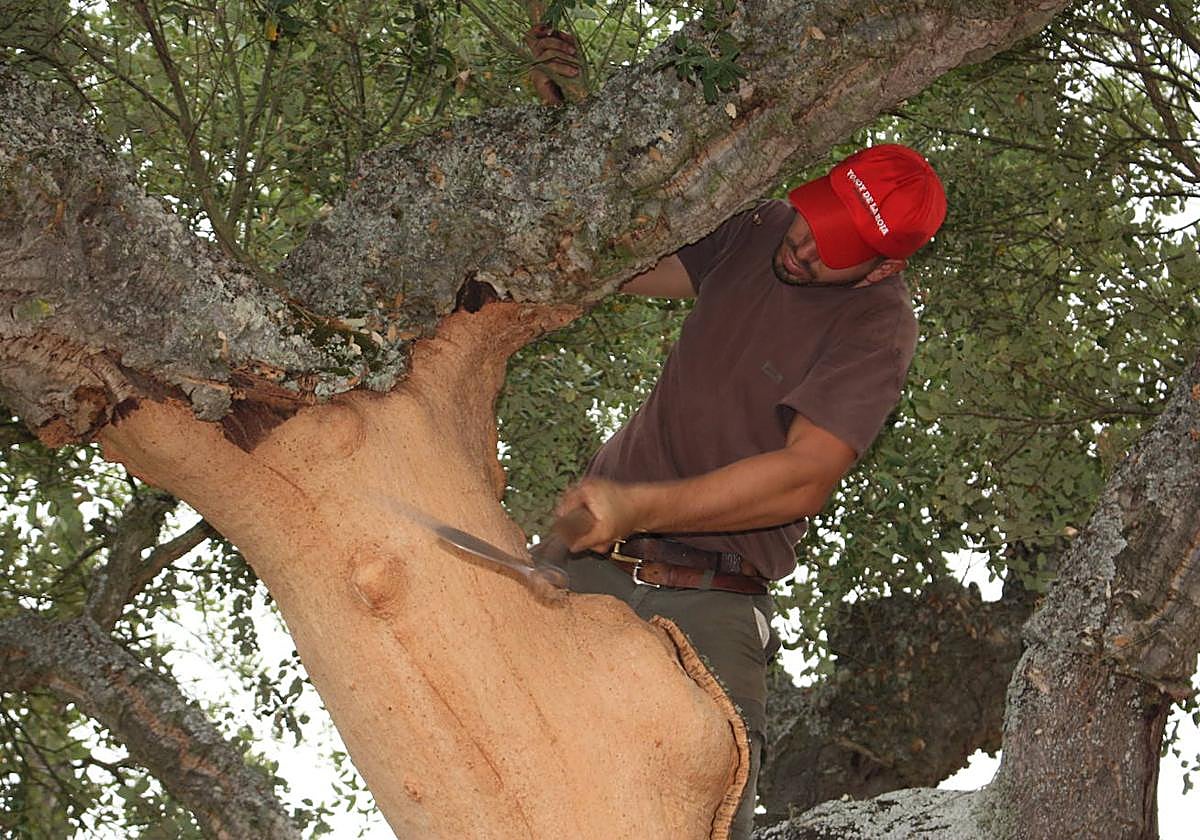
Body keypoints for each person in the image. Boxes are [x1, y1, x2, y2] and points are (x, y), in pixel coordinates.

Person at [528, 27, 947, 840]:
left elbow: (803, 476)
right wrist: (568, 118)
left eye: (831, 250)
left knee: (697, 811)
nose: (799, 247)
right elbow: (615, 257)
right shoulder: (761, 227)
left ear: (886, 266)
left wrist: (637, 504)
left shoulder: (877, 327)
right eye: (809, 219)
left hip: (711, 605)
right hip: (582, 562)